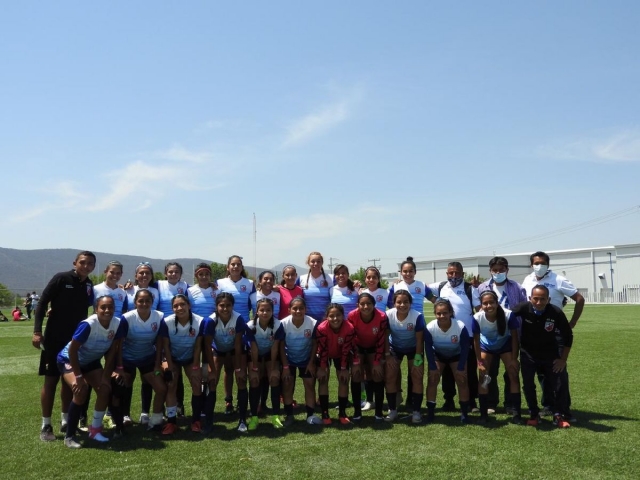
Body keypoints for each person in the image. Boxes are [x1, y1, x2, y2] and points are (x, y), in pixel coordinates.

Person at [32, 251, 96, 442]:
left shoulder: (89, 284)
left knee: (69, 382)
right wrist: (37, 331)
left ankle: (66, 421)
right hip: (54, 339)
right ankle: (46, 424)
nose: (86, 266)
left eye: (90, 264)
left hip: (74, 342)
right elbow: (42, 302)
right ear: (75, 262)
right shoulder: (61, 278)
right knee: (51, 382)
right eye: (83, 262)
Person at [521, 251, 585, 420]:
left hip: (555, 331)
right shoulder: (528, 280)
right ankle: (548, 405)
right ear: (531, 264)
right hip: (534, 332)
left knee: (558, 371)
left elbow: (579, 298)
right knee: (541, 372)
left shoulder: (558, 280)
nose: (539, 266)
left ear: (548, 265)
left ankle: (563, 409)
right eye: (536, 263)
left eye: (542, 263)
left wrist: (572, 323)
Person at [57, 296, 126, 448]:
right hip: (68, 359)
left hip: (91, 361)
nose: (107, 310)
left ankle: (95, 430)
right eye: (103, 307)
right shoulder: (88, 324)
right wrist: (79, 376)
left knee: (105, 389)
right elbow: (73, 350)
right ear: (96, 309)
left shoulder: (117, 323)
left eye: (110, 307)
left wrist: (107, 376)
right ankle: (69, 436)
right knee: (81, 390)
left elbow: (113, 351)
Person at [511, 285, 573, 428]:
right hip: (528, 354)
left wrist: (562, 359)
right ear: (530, 298)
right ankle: (534, 414)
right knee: (528, 385)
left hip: (550, 355)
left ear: (548, 299)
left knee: (558, 384)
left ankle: (558, 414)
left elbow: (568, 336)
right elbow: (506, 315)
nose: (539, 302)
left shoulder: (555, 312)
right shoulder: (523, 308)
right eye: (536, 299)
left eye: (542, 299)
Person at [428, 261, 481, 412]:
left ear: (463, 274)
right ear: (447, 274)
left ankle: (471, 401)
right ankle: (449, 400)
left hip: (467, 335)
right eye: (451, 273)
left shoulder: (469, 289)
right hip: (446, 336)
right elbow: (423, 288)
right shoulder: (441, 286)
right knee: (447, 372)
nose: (454, 276)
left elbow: (479, 310)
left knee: (468, 370)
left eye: (457, 273)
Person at [477, 256, 527, 414]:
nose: (498, 272)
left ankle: (510, 404)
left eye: (501, 270)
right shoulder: (483, 287)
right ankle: (491, 402)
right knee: (489, 372)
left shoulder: (517, 287)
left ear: (507, 270)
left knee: (510, 370)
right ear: (490, 271)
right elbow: (479, 309)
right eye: (495, 270)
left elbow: (524, 308)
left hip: (510, 336)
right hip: (489, 337)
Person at [115, 289, 167, 432]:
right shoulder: (127, 318)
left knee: (161, 388)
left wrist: (157, 365)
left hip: (147, 358)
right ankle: (124, 416)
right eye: (141, 301)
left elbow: (160, 342)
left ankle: (154, 419)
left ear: (152, 302)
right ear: (135, 302)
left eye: (147, 301)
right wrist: (119, 366)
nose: (144, 303)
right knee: (124, 385)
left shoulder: (159, 316)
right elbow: (119, 344)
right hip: (127, 359)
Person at [203, 292, 256, 433]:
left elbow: (238, 345)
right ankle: (208, 421)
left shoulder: (238, 319)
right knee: (212, 381)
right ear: (216, 306)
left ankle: (242, 420)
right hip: (218, 350)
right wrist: (212, 370)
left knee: (242, 379)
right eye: (222, 305)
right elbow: (207, 346)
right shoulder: (210, 320)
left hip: (235, 350)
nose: (225, 309)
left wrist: (238, 368)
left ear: (233, 306)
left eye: (228, 305)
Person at [158, 294, 207, 434]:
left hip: (190, 358)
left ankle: (196, 420)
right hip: (172, 357)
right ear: (172, 308)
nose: (179, 308)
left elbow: (198, 347)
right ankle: (171, 422)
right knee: (171, 384)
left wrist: (196, 367)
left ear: (189, 305)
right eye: (175, 306)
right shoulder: (166, 322)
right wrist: (169, 365)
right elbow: (165, 346)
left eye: (182, 305)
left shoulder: (200, 321)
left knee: (196, 383)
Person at [473, 291, 522, 424]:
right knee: (483, 376)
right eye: (485, 303)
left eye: (491, 302)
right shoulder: (477, 317)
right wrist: (479, 361)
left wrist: (513, 358)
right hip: (486, 346)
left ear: (497, 303)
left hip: (504, 345)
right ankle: (483, 414)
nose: (488, 306)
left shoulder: (508, 314)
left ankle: (516, 413)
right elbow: (476, 341)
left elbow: (514, 337)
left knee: (513, 374)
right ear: (481, 305)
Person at [216, 255, 256, 414]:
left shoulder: (250, 284)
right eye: (232, 264)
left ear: (242, 267)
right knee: (228, 368)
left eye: (238, 264)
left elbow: (254, 302)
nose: (235, 267)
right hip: (224, 330)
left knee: (242, 366)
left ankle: (241, 400)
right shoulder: (219, 283)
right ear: (228, 267)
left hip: (243, 329)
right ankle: (228, 401)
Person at [121, 262, 160, 426]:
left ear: (152, 276)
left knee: (147, 380)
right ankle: (125, 414)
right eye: (141, 273)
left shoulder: (157, 290)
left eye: (147, 273)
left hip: (148, 341)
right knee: (127, 380)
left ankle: (145, 413)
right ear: (135, 275)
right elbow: (122, 311)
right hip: (130, 340)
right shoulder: (127, 291)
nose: (144, 276)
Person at [424, 298, 473, 424]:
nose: (442, 316)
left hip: (456, 355)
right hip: (438, 356)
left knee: (462, 380)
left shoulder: (460, 326)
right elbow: (428, 349)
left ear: (450, 312)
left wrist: (461, 367)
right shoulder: (430, 327)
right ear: (435, 314)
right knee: (432, 379)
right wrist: (433, 367)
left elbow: (465, 348)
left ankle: (464, 413)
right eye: (439, 313)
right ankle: (430, 413)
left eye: (445, 313)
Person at [276, 296, 321, 426]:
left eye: (301, 308)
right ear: (289, 309)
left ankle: (310, 415)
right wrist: (285, 367)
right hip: (289, 359)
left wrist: (311, 362)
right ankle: (289, 415)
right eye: (294, 308)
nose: (298, 311)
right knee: (287, 385)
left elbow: (314, 344)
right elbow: (281, 346)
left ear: (305, 309)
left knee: (309, 385)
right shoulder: (283, 323)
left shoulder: (312, 323)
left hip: (306, 359)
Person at [384, 289, 426, 424]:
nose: (402, 305)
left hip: (414, 348)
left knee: (417, 377)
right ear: (394, 303)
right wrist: (388, 355)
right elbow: (384, 337)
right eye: (399, 302)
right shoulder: (388, 315)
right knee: (390, 377)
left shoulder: (417, 316)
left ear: (410, 303)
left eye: (406, 302)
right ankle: (392, 410)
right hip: (395, 348)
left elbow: (420, 340)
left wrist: (418, 358)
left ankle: (416, 412)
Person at [347, 292, 389, 421]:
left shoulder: (381, 316)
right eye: (362, 304)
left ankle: (378, 413)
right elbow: (351, 338)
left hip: (374, 347)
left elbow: (382, 339)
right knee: (356, 374)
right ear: (357, 305)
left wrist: (377, 361)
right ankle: (357, 412)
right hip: (357, 347)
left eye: (369, 303)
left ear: (374, 305)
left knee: (377, 374)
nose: (366, 306)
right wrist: (355, 360)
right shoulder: (352, 315)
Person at [316, 303, 357, 424]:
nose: (335, 319)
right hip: (325, 354)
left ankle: (342, 413)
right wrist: (322, 367)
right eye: (331, 316)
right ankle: (325, 412)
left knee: (344, 379)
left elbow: (346, 350)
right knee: (323, 379)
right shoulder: (321, 328)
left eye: (338, 315)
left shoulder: (349, 328)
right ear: (327, 317)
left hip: (341, 354)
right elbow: (322, 349)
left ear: (343, 316)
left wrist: (344, 368)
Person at [246, 298, 284, 429]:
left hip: (270, 354)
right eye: (261, 310)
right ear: (256, 311)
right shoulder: (250, 325)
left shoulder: (278, 325)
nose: (265, 312)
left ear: (273, 311)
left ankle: (275, 416)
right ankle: (254, 417)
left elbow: (275, 347)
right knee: (254, 379)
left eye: (268, 310)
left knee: (274, 378)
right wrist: (255, 367)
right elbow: (254, 348)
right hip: (254, 355)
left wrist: (273, 367)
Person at [298, 252, 334, 320]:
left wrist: (355, 283)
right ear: (308, 263)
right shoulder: (301, 279)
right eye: (313, 261)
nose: (316, 264)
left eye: (318, 261)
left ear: (322, 263)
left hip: (326, 320)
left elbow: (343, 286)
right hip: (308, 321)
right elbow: (289, 288)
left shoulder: (331, 278)